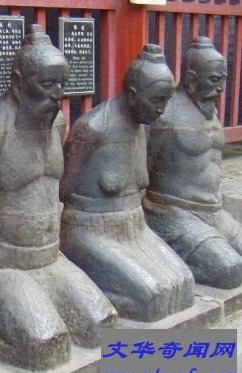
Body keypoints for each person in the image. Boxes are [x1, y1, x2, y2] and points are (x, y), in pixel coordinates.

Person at [0, 24, 117, 371]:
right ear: (18, 83)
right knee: (47, 345)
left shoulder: (56, 123)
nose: (58, 94)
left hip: (50, 258)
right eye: (47, 84)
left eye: (62, 84)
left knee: (104, 328)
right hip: (0, 264)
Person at [60, 44, 194, 321]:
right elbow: (64, 189)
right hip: (92, 230)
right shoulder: (93, 129)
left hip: (135, 227)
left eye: (166, 101)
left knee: (183, 285)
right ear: (133, 95)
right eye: (156, 100)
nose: (161, 109)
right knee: (151, 296)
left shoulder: (143, 127)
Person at [144, 36, 242, 289]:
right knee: (229, 269)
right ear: (190, 79)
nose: (220, 88)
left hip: (214, 211)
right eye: (213, 80)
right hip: (175, 213)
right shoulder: (165, 114)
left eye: (222, 80)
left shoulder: (210, 109)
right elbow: (141, 168)